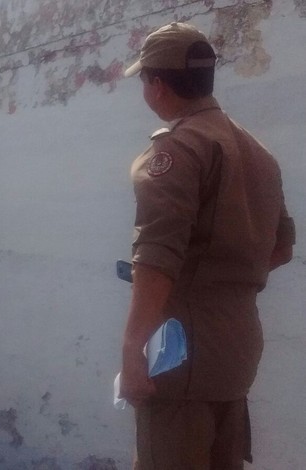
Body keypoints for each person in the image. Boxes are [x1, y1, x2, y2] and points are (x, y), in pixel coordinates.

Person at [119, 22, 295, 469]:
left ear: (157, 86)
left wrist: (132, 352)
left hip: (180, 354)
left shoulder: (178, 150)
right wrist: (224, 284)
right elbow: (281, 248)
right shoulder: (259, 154)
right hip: (236, 350)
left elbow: (157, 260)